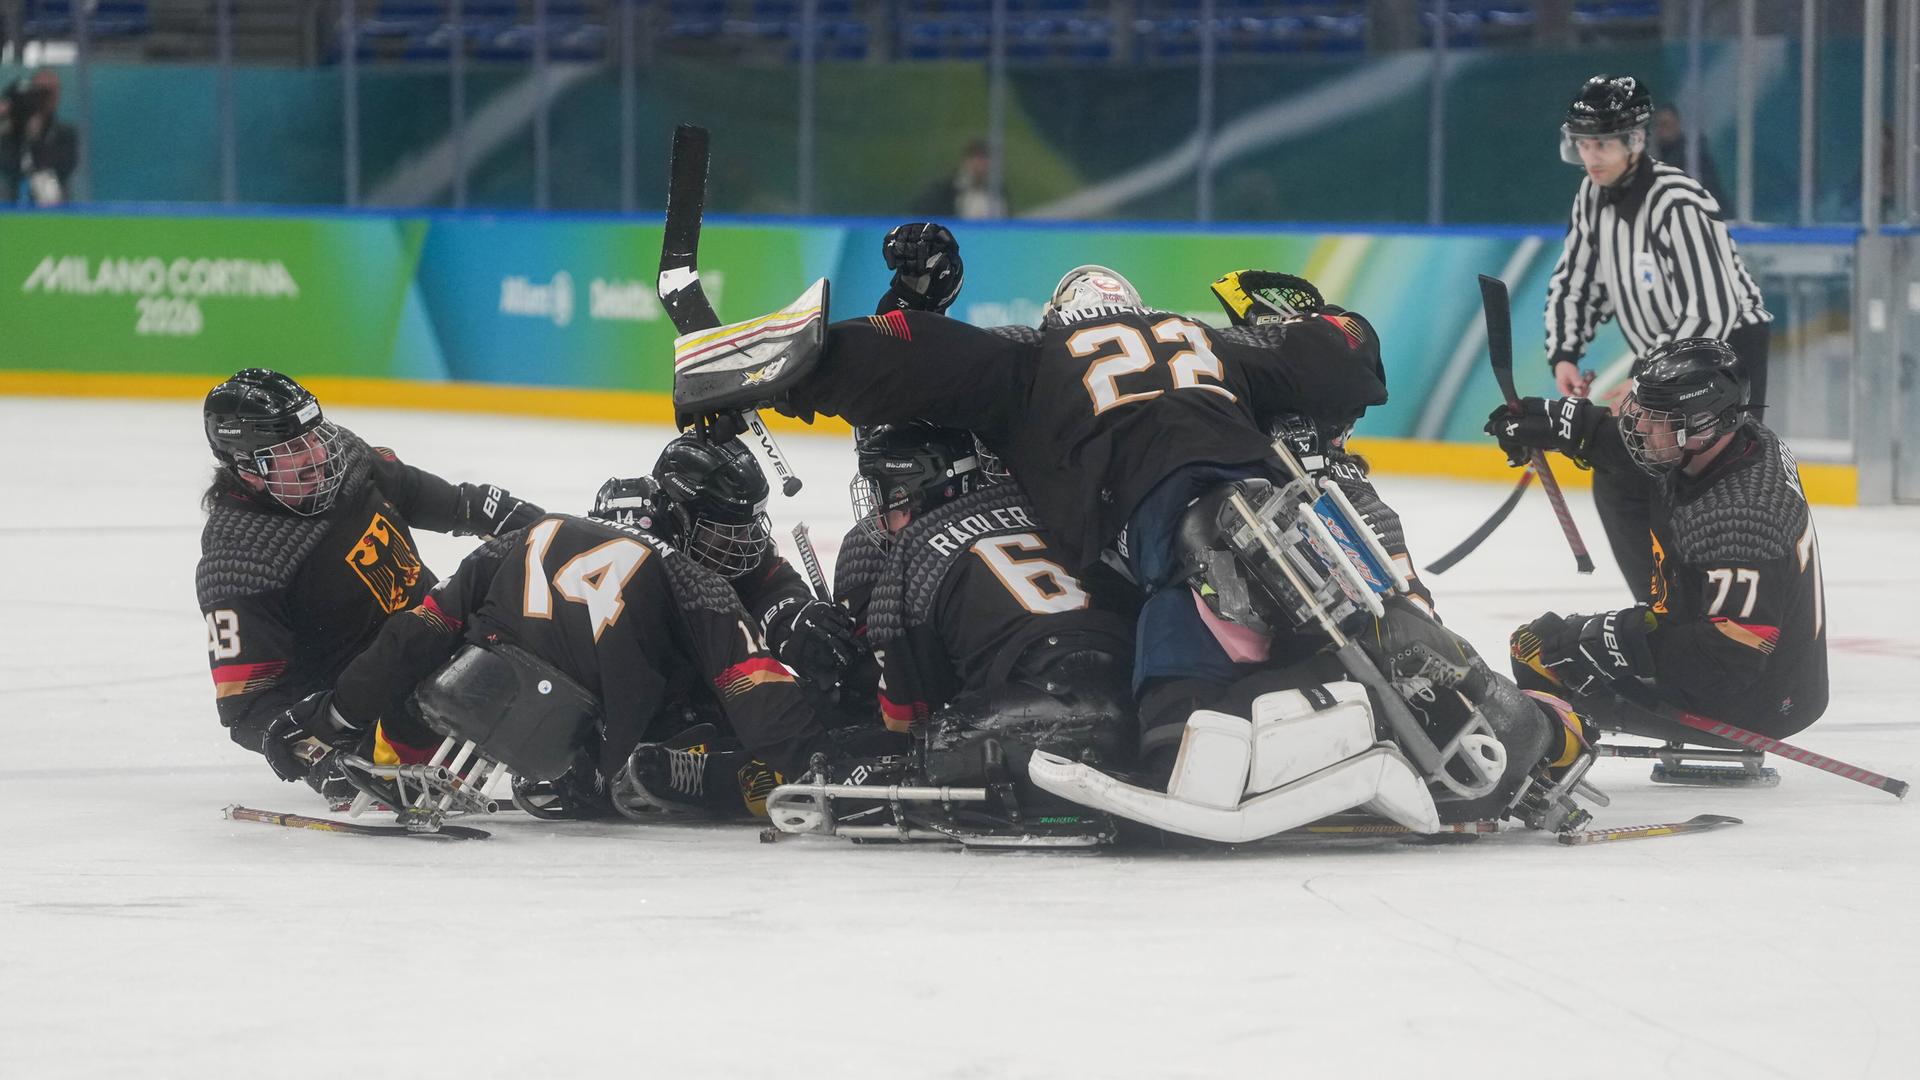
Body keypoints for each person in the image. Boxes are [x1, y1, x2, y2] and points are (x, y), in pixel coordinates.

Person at [276, 490, 842, 822]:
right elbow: (757, 692)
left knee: (433, 643)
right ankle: (666, 769)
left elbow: (415, 634)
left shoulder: (534, 531)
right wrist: (825, 767)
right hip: (595, 755)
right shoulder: (695, 580)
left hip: (466, 687)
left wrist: (333, 716)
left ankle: (392, 758)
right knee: (716, 707)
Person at [197, 368, 544, 791]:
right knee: (451, 636)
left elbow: (436, 498)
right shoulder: (240, 558)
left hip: (447, 633)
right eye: (293, 449)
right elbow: (248, 706)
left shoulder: (343, 455)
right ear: (247, 468)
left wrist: (521, 523)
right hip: (381, 702)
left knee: (531, 594)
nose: (316, 456)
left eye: (313, 436)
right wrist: (316, 754)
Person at [1492, 337, 1828, 755]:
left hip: (1755, 704)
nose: (1640, 428)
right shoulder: (1740, 438)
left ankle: (1554, 763)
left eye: (1656, 418)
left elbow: (1729, 659)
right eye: (1641, 411)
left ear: (1703, 425)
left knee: (1537, 649)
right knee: (1626, 483)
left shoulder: (1738, 517)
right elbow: (1643, 450)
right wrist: (1566, 425)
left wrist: (1619, 639)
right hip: (1782, 675)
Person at [1544, 74, 1771, 599]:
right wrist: (1566, 351)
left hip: (1723, 362)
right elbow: (1577, 280)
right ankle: (1661, 606)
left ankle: (1724, 608)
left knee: (1710, 487)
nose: (1591, 155)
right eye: (1582, 142)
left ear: (1635, 141)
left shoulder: (1679, 202)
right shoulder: (1591, 195)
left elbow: (1711, 311)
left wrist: (1648, 383)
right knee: (1627, 472)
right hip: (1666, 365)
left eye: (1602, 142)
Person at [0, 70, 77, 206]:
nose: (47, 98)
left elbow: (64, 168)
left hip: (53, 200)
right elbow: (7, 167)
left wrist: (36, 139)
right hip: (10, 200)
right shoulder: (9, 132)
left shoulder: (65, 134)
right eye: (40, 92)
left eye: (51, 92)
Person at [912, 139, 1006, 221]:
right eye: (974, 158)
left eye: (983, 159)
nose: (979, 164)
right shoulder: (945, 190)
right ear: (965, 161)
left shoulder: (998, 191)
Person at [1651, 105, 1725, 207]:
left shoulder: (1692, 157)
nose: (1660, 130)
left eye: (1665, 125)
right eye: (1657, 125)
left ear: (1677, 125)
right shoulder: (1658, 156)